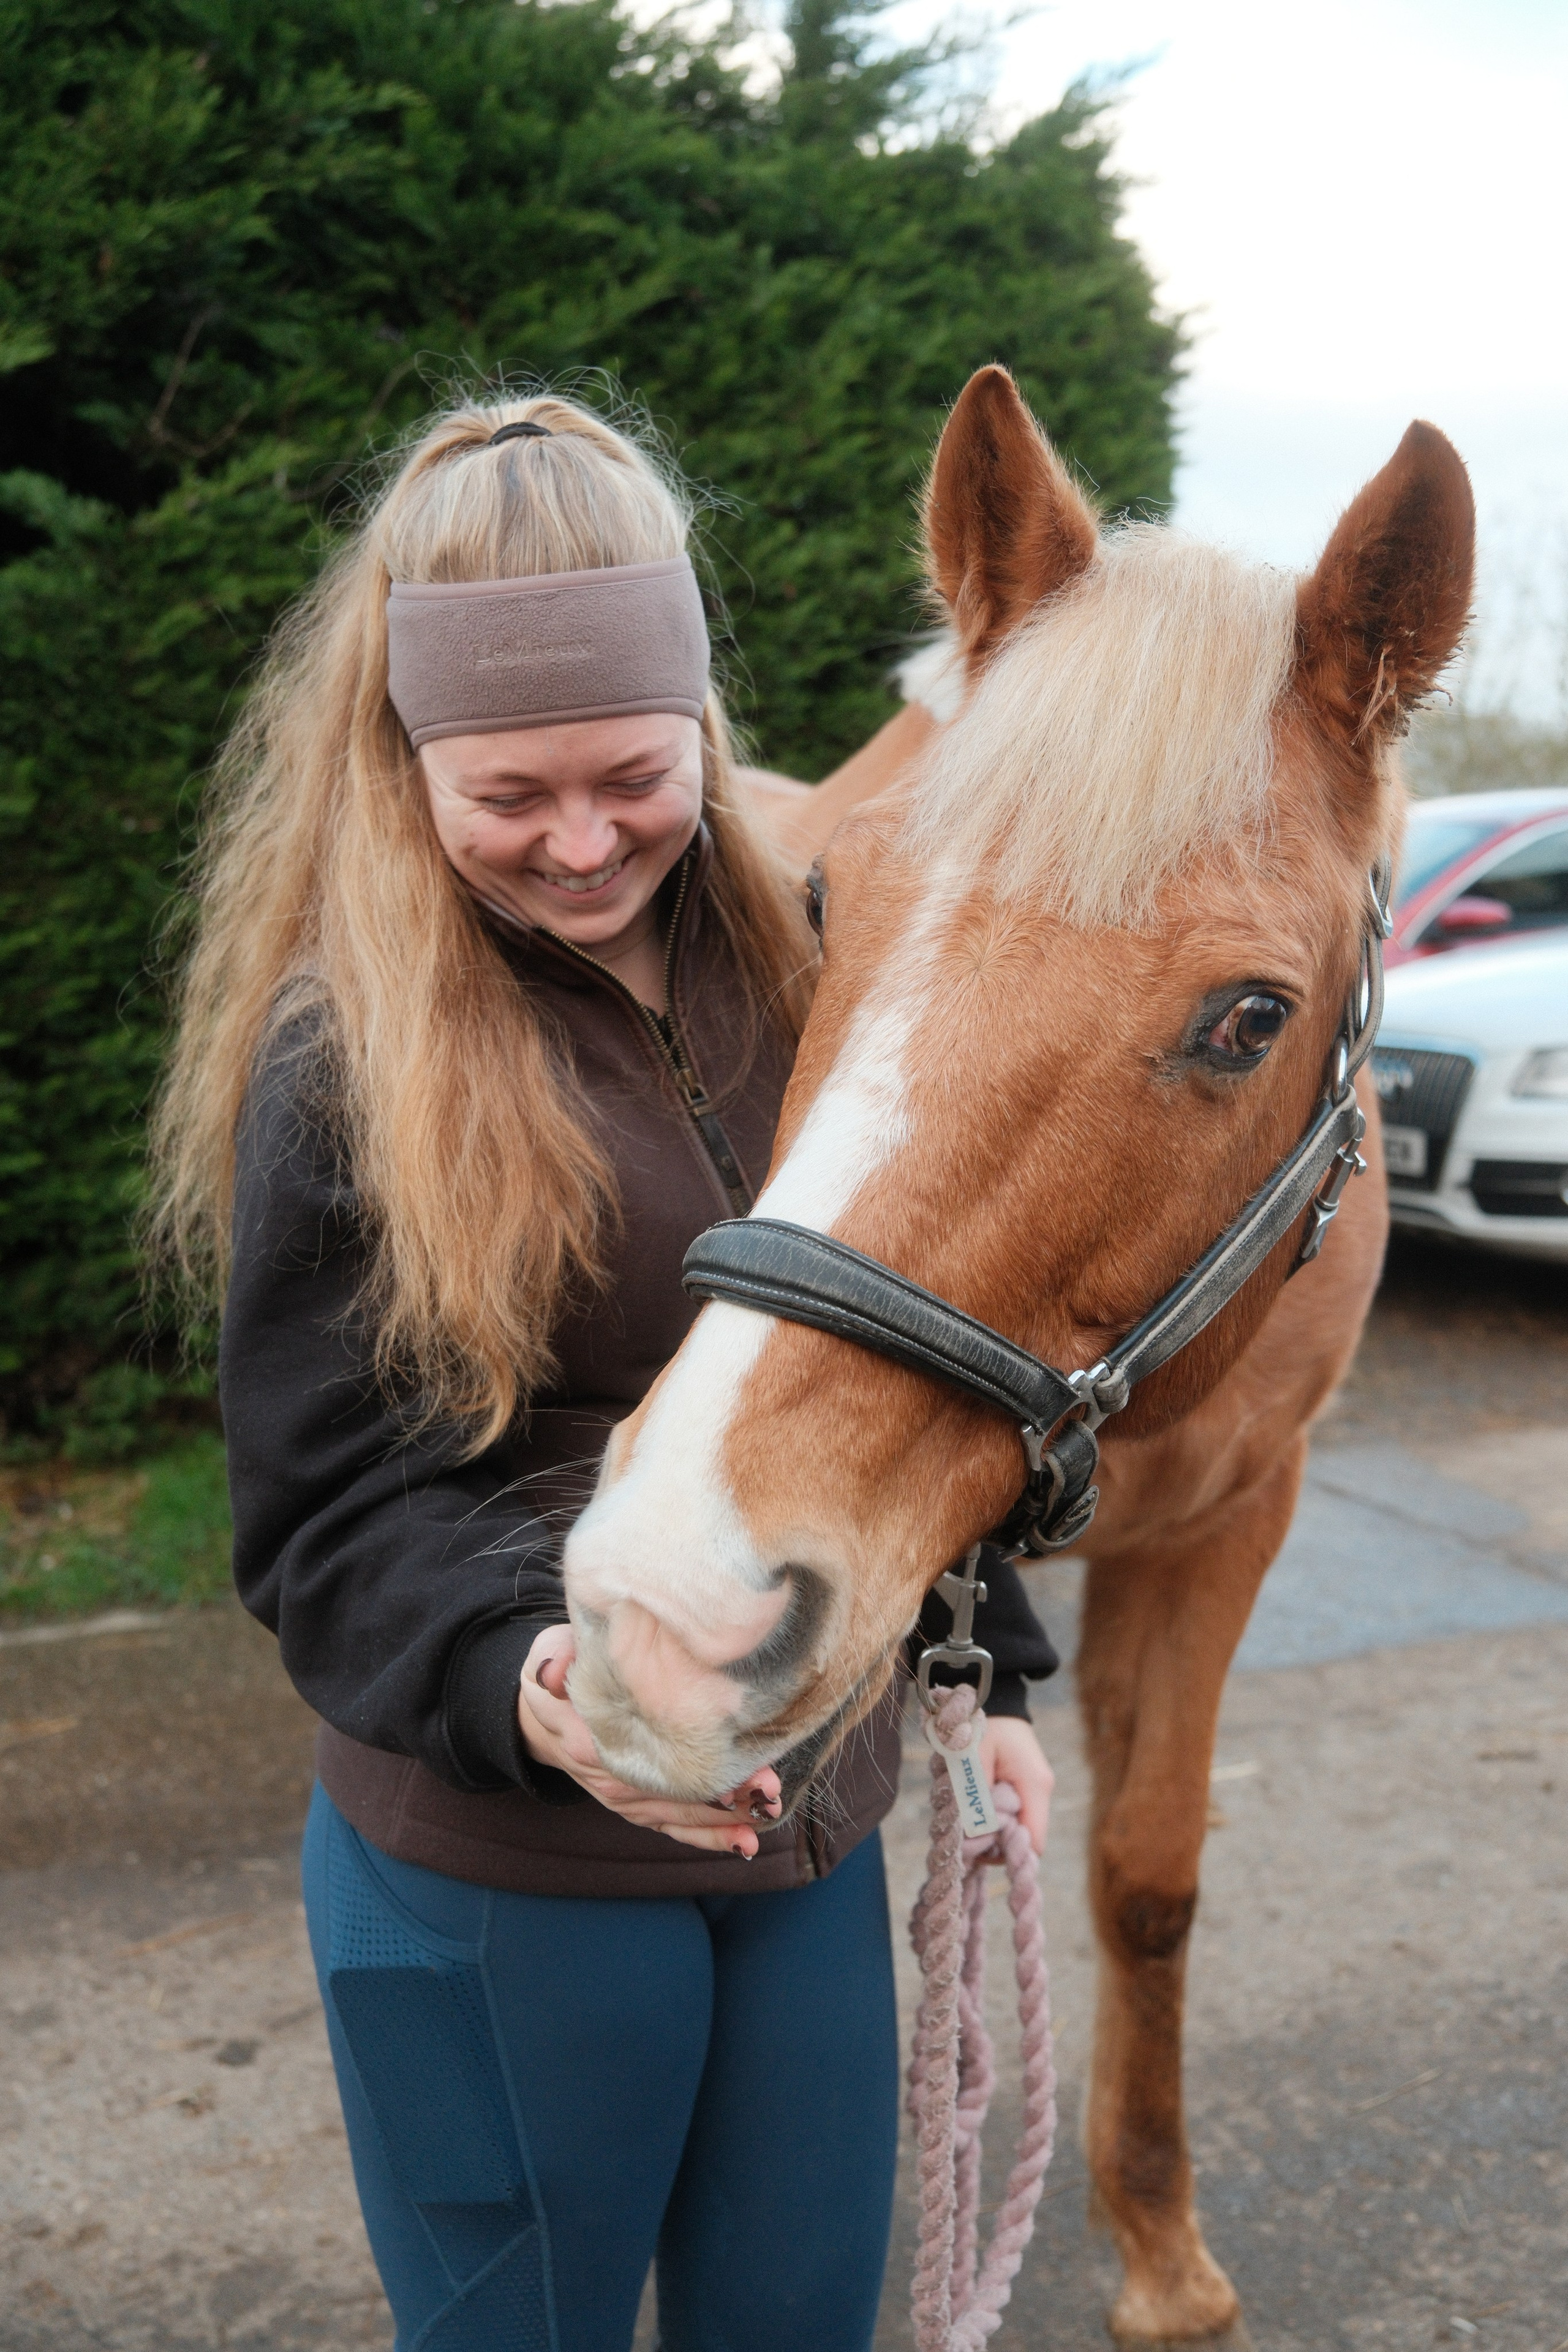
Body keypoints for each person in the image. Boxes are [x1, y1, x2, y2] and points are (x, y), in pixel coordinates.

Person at [149, 392, 1057, 2352]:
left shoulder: (821, 970)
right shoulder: (344, 1061)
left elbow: (891, 1359)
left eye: (633, 774)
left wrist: (987, 1674)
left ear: (706, 724)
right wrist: (521, 1688)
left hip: (800, 1818)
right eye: (507, 796)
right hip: (507, 1868)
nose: (582, 843)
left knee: (797, 2324)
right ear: (405, 767)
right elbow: (323, 1515)